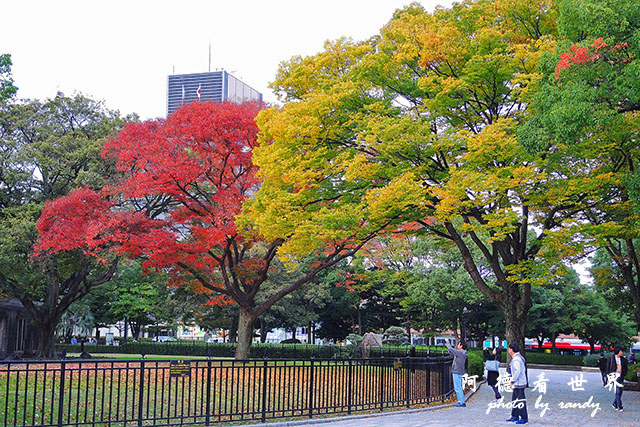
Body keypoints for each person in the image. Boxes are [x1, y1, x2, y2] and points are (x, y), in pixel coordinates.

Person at [505, 342, 528, 425]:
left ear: (511, 350)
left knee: (520, 400)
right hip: (518, 383)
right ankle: (514, 415)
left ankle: (524, 417)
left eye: (509, 348)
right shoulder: (517, 357)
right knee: (515, 400)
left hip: (519, 383)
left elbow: (517, 371)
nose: (508, 350)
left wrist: (512, 381)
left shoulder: (516, 359)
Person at [446, 339, 468, 407]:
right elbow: (451, 352)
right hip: (459, 371)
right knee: (459, 387)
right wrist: (449, 348)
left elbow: (451, 349)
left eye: (458, 344)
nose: (457, 345)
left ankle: (461, 402)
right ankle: (461, 401)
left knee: (457, 387)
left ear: (461, 346)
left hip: (457, 371)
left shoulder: (460, 352)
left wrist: (447, 342)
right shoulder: (462, 353)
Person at [607, 347, 628, 412]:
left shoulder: (623, 359)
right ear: (617, 351)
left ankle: (614, 403)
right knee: (618, 391)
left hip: (620, 377)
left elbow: (625, 368)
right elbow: (607, 368)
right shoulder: (611, 358)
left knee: (620, 392)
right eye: (621, 351)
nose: (622, 352)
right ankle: (620, 406)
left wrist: (623, 375)